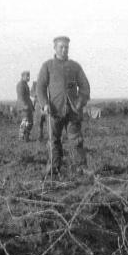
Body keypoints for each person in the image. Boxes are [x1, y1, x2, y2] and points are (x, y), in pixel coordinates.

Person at [37, 36, 91, 177]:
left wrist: (80, 103)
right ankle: (54, 168)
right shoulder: (47, 66)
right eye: (61, 46)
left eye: (66, 47)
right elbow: (40, 88)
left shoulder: (75, 66)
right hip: (54, 111)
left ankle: (81, 168)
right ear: (55, 48)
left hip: (73, 111)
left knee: (76, 140)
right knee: (53, 140)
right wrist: (45, 104)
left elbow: (85, 86)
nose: (64, 49)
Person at [15, 71, 34, 142]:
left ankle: (26, 137)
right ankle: (22, 138)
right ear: (23, 76)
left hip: (27, 106)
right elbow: (21, 97)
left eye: (29, 76)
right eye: (27, 76)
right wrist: (25, 106)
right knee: (25, 122)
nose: (28, 77)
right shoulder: (21, 85)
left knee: (29, 122)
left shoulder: (25, 84)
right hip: (24, 107)